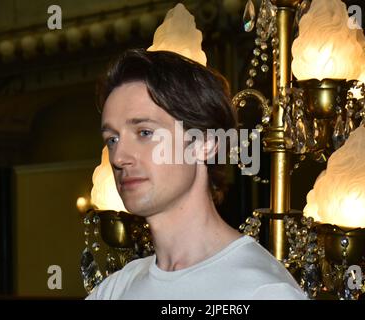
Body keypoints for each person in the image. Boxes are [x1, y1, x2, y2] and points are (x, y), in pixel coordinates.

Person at [86, 48, 307, 300]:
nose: (118, 157)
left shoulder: (262, 291)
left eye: (145, 133)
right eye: (112, 139)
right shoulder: (114, 290)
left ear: (205, 143)